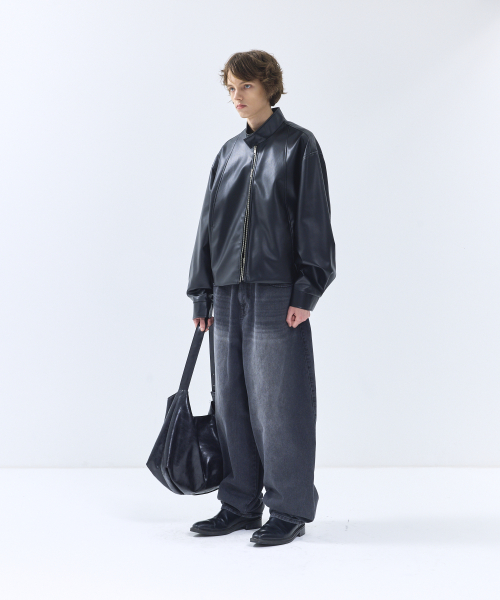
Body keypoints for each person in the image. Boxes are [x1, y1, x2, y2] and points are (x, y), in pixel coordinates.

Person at [185, 50, 336, 546]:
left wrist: (306, 290)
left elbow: (314, 220)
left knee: (279, 404)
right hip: (226, 293)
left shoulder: (299, 146)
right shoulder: (228, 153)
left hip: (277, 293)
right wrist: (202, 294)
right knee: (230, 402)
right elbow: (207, 228)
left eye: (245, 86)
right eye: (230, 88)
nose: (236, 96)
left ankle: (288, 509)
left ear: (269, 87)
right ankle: (238, 504)